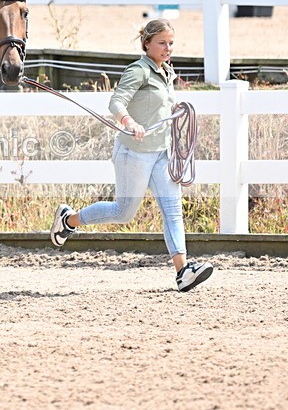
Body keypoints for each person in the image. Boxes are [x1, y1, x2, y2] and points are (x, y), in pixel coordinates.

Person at [50, 18, 213, 292]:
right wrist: (129, 122)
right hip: (134, 153)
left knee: (173, 210)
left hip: (161, 154)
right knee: (123, 212)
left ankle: (183, 271)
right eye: (162, 43)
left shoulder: (165, 71)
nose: (168, 48)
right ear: (147, 43)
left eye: (171, 43)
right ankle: (68, 220)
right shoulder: (138, 71)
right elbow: (116, 102)